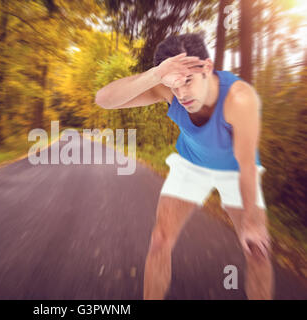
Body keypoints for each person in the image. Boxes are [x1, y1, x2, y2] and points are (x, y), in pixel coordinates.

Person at [95, 33, 274, 300]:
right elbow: (104, 99)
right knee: (159, 241)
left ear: (208, 67)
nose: (181, 95)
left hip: (237, 170)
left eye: (188, 81)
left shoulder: (240, 98)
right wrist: (156, 75)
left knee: (257, 250)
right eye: (174, 86)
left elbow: (247, 164)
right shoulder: (167, 89)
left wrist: (251, 221)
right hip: (191, 164)